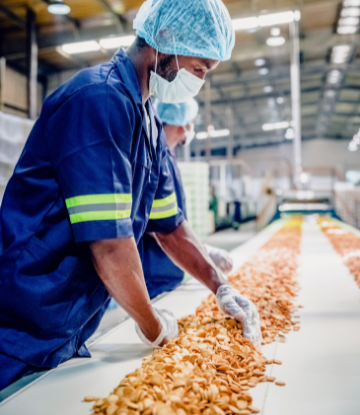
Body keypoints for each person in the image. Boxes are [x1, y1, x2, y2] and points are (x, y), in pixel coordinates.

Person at [0, 0, 261, 391]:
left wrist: (220, 284)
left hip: (66, 324)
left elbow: (170, 227)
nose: (199, 81)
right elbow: (109, 245)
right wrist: (154, 327)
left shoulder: (148, 120)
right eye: (198, 69)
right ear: (167, 40)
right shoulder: (98, 101)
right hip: (21, 323)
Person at [143, 99, 233, 299]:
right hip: (153, 277)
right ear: (184, 122)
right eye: (192, 119)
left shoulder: (169, 157)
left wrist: (198, 250)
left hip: (171, 273)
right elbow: (151, 222)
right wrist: (202, 252)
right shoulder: (151, 158)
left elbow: (173, 217)